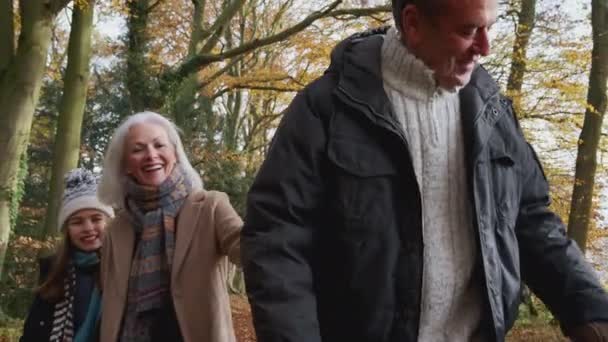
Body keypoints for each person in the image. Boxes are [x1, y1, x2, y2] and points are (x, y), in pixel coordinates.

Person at [241, 0, 608, 341]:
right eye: (468, 31)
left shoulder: (493, 113)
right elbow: (277, 239)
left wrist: (593, 310)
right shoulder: (325, 109)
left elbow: (531, 221)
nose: (485, 47)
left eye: (488, 28)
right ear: (413, 23)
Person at [97, 111, 242, 342]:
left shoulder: (210, 207)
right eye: (138, 149)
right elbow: (108, 298)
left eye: (159, 145)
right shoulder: (117, 229)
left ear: (175, 153)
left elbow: (248, 247)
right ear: (125, 165)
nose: (151, 155)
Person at [21, 168, 114, 342]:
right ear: (67, 230)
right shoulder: (53, 272)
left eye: (96, 219)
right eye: (77, 222)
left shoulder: (124, 270)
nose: (88, 228)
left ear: (108, 222)